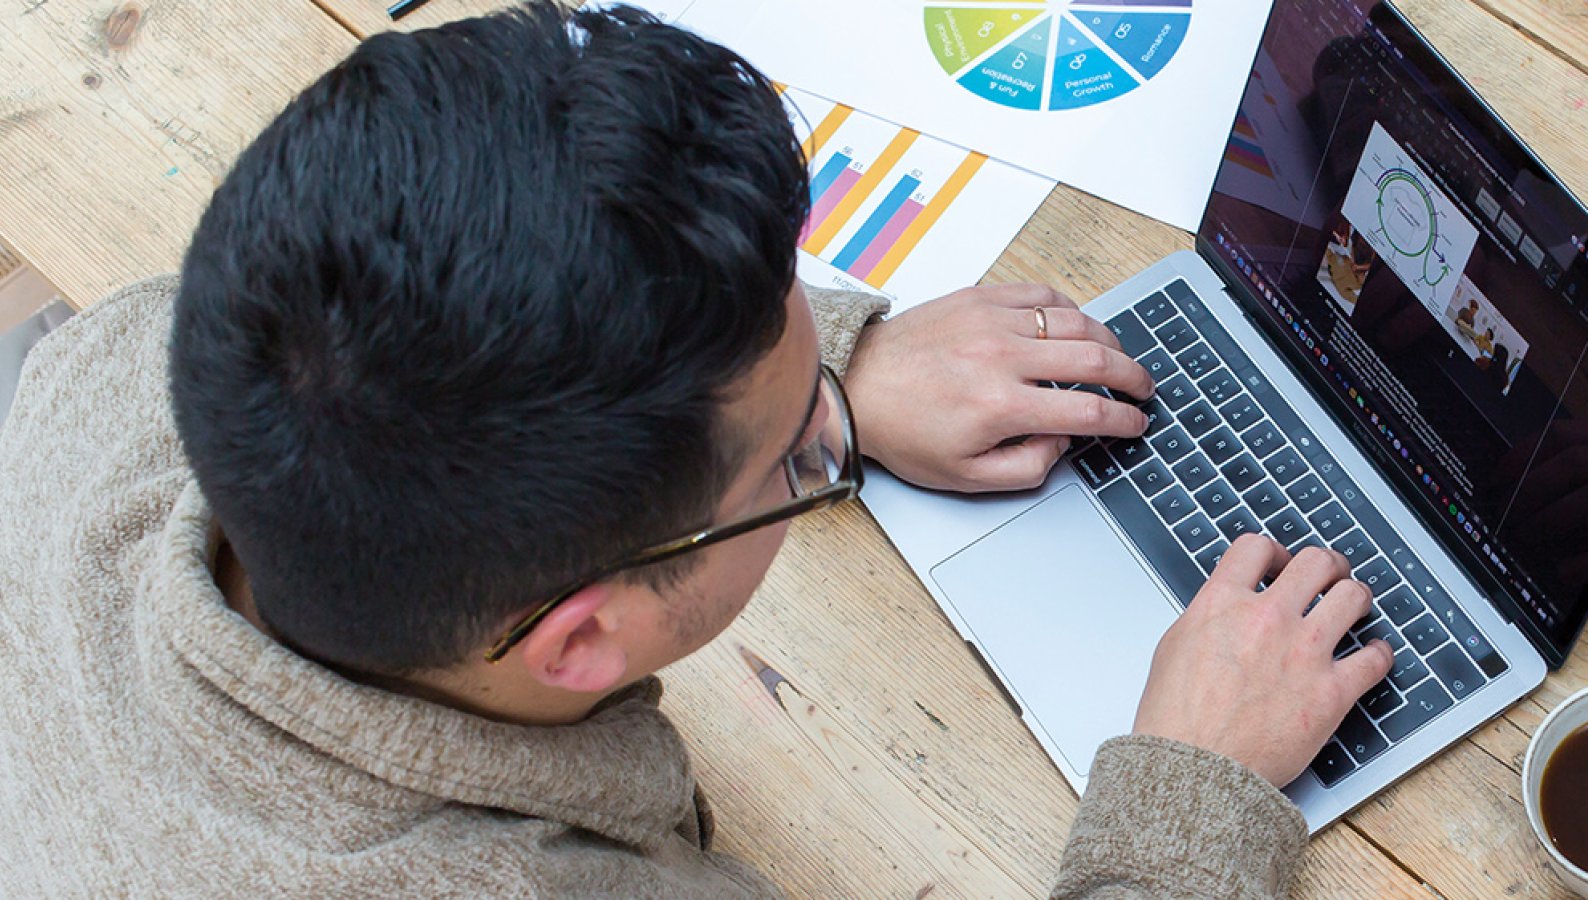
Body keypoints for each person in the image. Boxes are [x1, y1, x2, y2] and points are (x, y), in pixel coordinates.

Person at [0, 4, 1393, 896]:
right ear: (580, 644)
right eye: (794, 462)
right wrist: (1186, 805)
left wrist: (834, 367)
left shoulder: (131, 362)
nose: (819, 453)